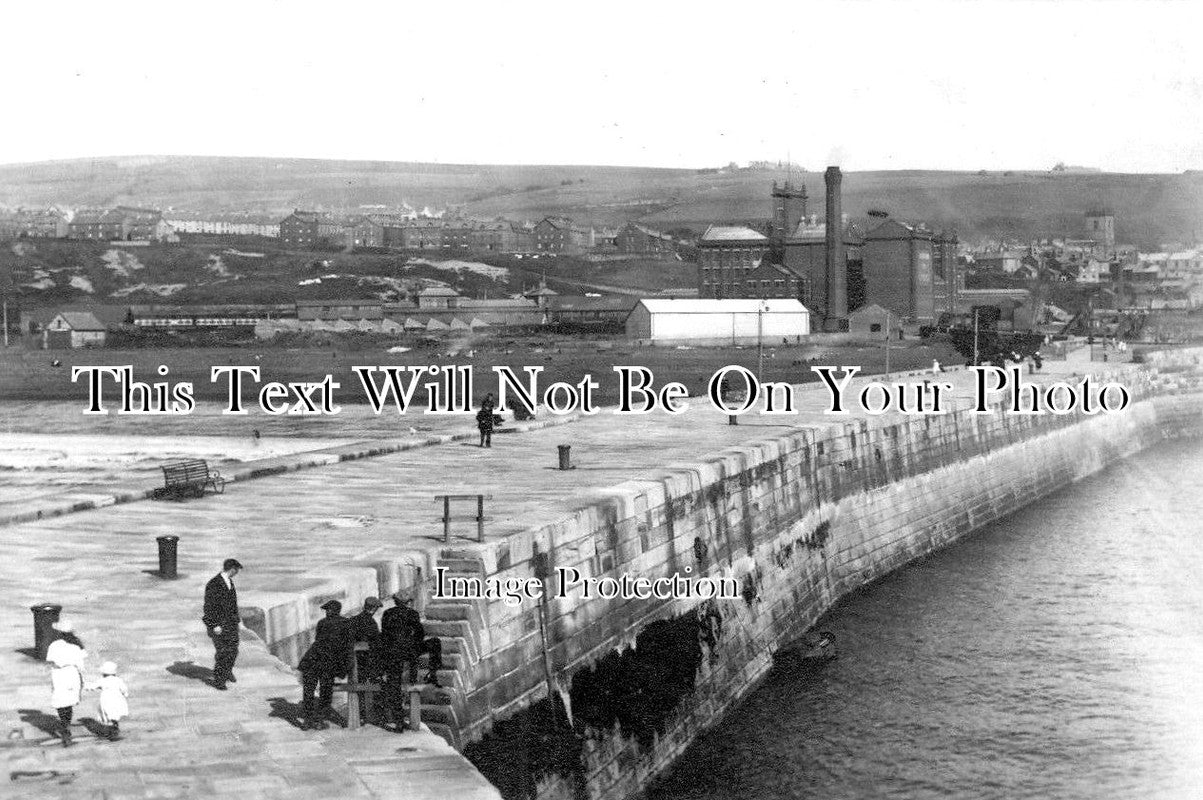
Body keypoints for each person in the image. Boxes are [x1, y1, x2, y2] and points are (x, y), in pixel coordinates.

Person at [298, 600, 352, 730]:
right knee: (325, 692)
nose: (327, 612)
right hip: (327, 662)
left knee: (308, 691)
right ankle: (319, 720)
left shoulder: (322, 623)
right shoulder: (346, 623)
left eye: (329, 610)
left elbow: (318, 641)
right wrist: (345, 668)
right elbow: (347, 647)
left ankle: (308, 720)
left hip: (312, 660)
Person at [380, 592, 424, 730]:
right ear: (407, 602)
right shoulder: (413, 614)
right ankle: (410, 719)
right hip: (409, 654)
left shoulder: (387, 613)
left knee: (393, 685)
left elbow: (384, 633)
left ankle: (398, 720)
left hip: (393, 653)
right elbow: (419, 634)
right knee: (411, 683)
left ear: (396, 602)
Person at [202, 558, 243, 690]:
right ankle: (219, 680)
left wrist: (237, 621)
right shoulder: (214, 584)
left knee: (233, 649)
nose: (236, 573)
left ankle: (227, 670)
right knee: (223, 652)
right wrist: (214, 625)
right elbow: (209, 607)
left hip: (231, 623)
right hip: (219, 625)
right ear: (232, 570)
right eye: (236, 571)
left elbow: (233, 604)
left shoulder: (229, 582)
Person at [46, 621, 86, 747]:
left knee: (60, 701)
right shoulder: (77, 645)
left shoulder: (54, 645)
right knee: (69, 702)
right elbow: (81, 665)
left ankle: (64, 725)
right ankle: (66, 725)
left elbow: (50, 661)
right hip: (72, 674)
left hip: (59, 675)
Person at [349, 596, 384, 721]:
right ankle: (373, 715)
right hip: (368, 661)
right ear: (374, 609)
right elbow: (377, 641)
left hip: (354, 661)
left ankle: (360, 715)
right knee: (376, 685)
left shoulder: (353, 620)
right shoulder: (371, 623)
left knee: (359, 686)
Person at [90, 661, 129, 741]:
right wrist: (125, 694)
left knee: (108, 715)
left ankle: (110, 731)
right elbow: (124, 689)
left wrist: (86, 685)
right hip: (117, 700)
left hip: (106, 701)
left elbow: (92, 686)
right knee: (115, 715)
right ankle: (114, 730)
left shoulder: (102, 680)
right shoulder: (118, 680)